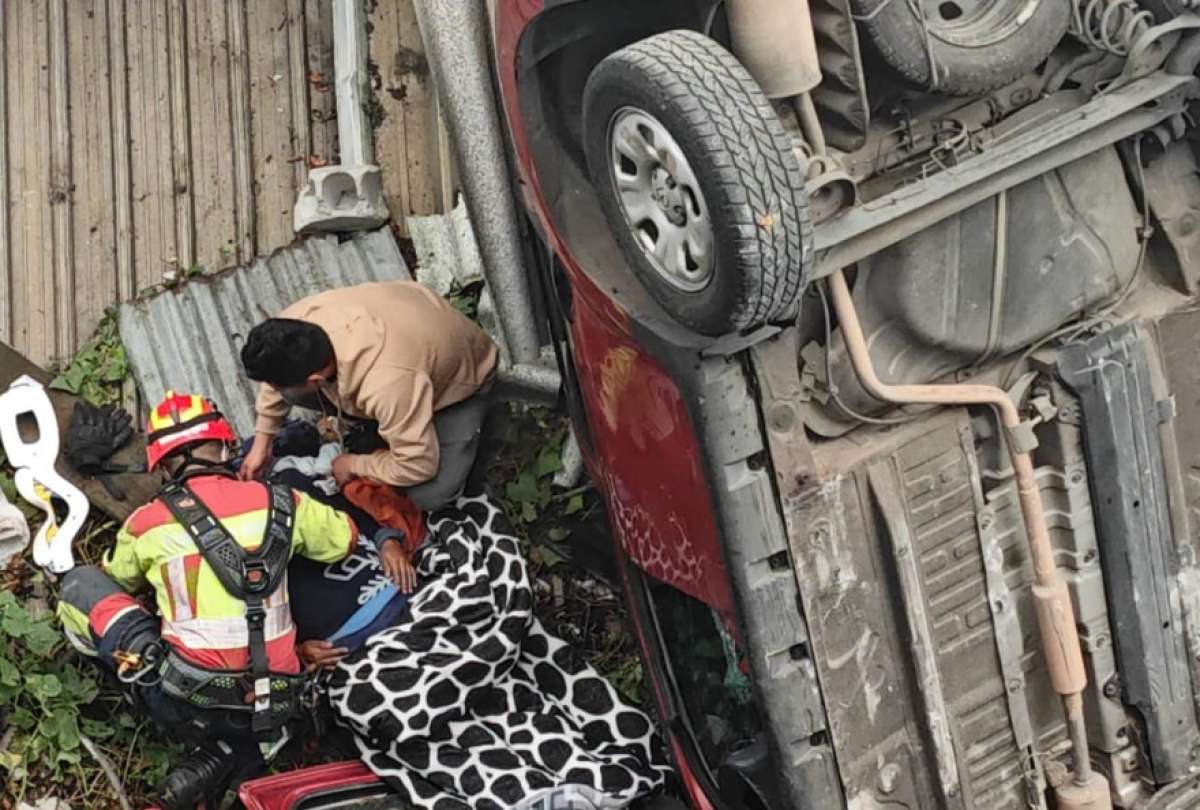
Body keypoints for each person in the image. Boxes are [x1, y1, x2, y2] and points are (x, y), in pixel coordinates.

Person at [56, 392, 359, 810]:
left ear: (162, 464)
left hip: (186, 700)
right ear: (225, 445)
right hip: (278, 698)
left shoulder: (147, 523)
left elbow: (118, 577)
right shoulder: (284, 502)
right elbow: (344, 540)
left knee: (81, 585)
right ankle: (246, 748)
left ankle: (113, 676)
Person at [238, 281, 498, 510]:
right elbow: (275, 381)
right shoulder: (297, 324)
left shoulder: (386, 384)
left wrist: (354, 464)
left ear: (316, 379)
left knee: (430, 496)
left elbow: (419, 465)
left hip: (464, 381)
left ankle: (481, 429)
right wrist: (263, 442)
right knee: (291, 394)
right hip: (412, 328)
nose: (272, 389)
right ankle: (389, 430)